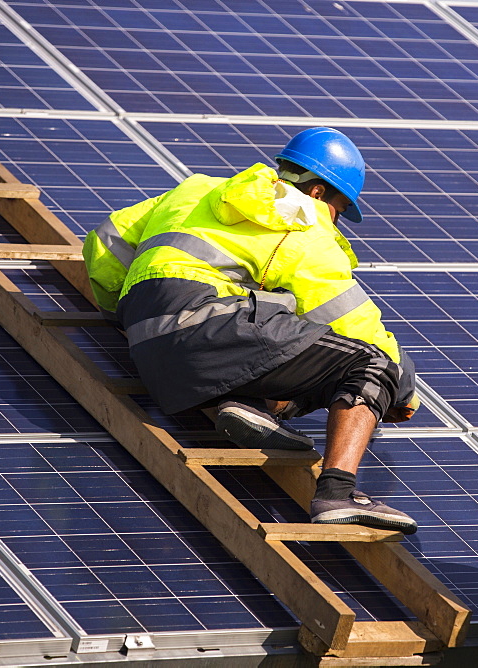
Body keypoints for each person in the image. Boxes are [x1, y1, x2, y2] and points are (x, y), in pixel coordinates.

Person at [83, 127, 420, 534]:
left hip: (145, 340)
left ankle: (246, 403)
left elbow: (104, 241)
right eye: (340, 207)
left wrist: (132, 315)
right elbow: (354, 321)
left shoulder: (198, 189)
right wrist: (401, 389)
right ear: (317, 192)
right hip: (209, 335)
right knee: (369, 362)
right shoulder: (303, 226)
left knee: (293, 330)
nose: (337, 219)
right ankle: (337, 491)